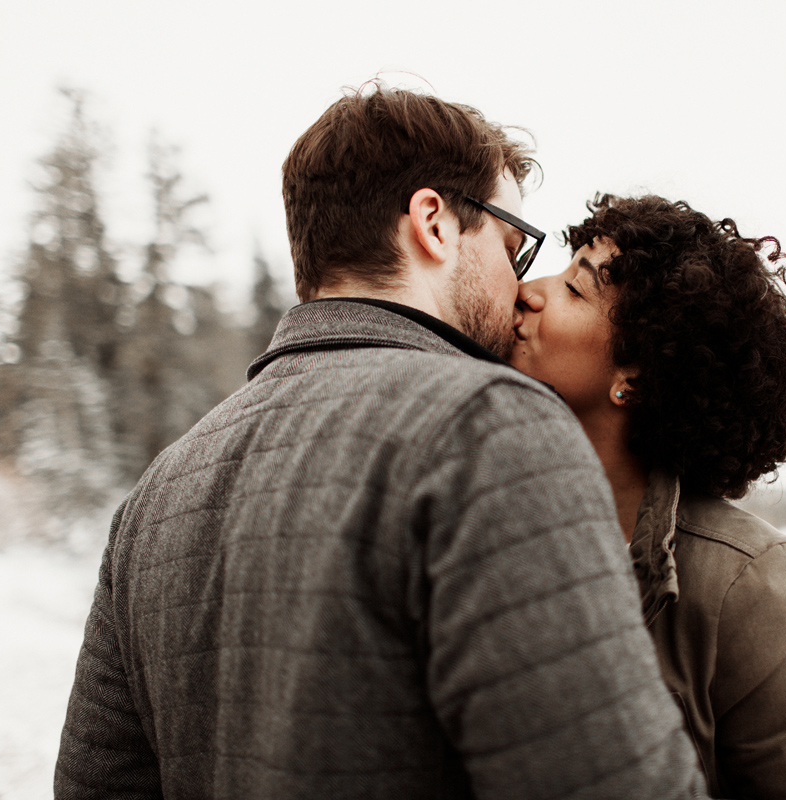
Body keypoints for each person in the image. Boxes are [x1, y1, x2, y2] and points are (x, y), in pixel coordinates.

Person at [55, 88, 708, 800]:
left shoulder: (158, 492)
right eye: (511, 248)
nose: (519, 288)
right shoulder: (489, 429)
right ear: (433, 222)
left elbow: (97, 784)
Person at [511, 193, 786, 799]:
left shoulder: (748, 585)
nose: (527, 290)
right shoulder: (486, 525)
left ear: (632, 378)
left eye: (574, 289)